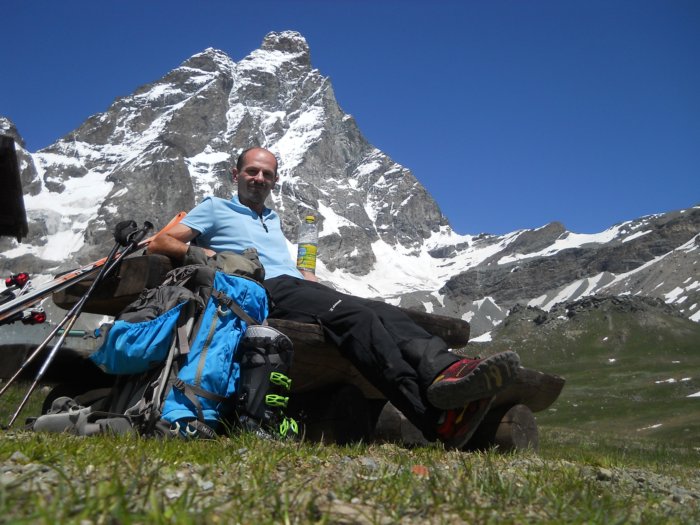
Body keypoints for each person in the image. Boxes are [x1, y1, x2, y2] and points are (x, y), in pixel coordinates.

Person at [147, 147, 520, 449]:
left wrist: (306, 275)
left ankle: (446, 370)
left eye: (267, 174)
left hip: (295, 286)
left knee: (381, 311)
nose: (259, 179)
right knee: (357, 319)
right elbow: (161, 242)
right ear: (236, 174)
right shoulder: (216, 207)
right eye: (252, 171)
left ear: (274, 181)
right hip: (262, 290)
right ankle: (434, 417)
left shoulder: (271, 218)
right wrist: (208, 255)